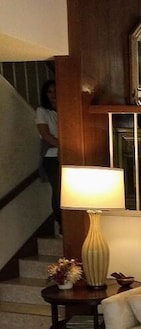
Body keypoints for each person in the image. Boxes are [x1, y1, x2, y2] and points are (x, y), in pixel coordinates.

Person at [36, 79, 61, 235]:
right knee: (58, 190)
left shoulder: (65, 108)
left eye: (55, 91)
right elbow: (45, 134)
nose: (53, 95)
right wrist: (63, 146)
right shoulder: (42, 111)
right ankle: (61, 223)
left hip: (67, 154)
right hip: (52, 156)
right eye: (50, 91)